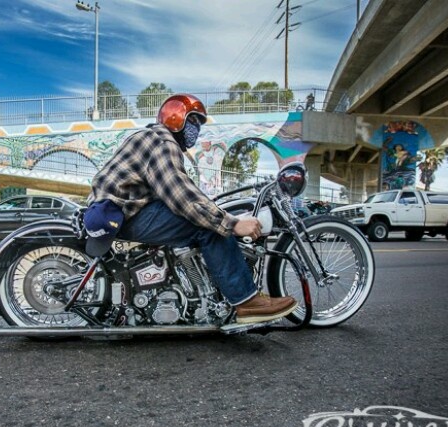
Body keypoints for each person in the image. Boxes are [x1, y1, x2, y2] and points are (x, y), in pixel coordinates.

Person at [85, 93, 298, 325]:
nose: (196, 129)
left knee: (203, 217)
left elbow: (176, 189)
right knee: (209, 228)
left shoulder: (150, 136)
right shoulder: (163, 141)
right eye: (193, 121)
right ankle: (246, 301)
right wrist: (231, 223)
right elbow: (180, 193)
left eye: (198, 124)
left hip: (120, 211)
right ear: (175, 118)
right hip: (126, 214)